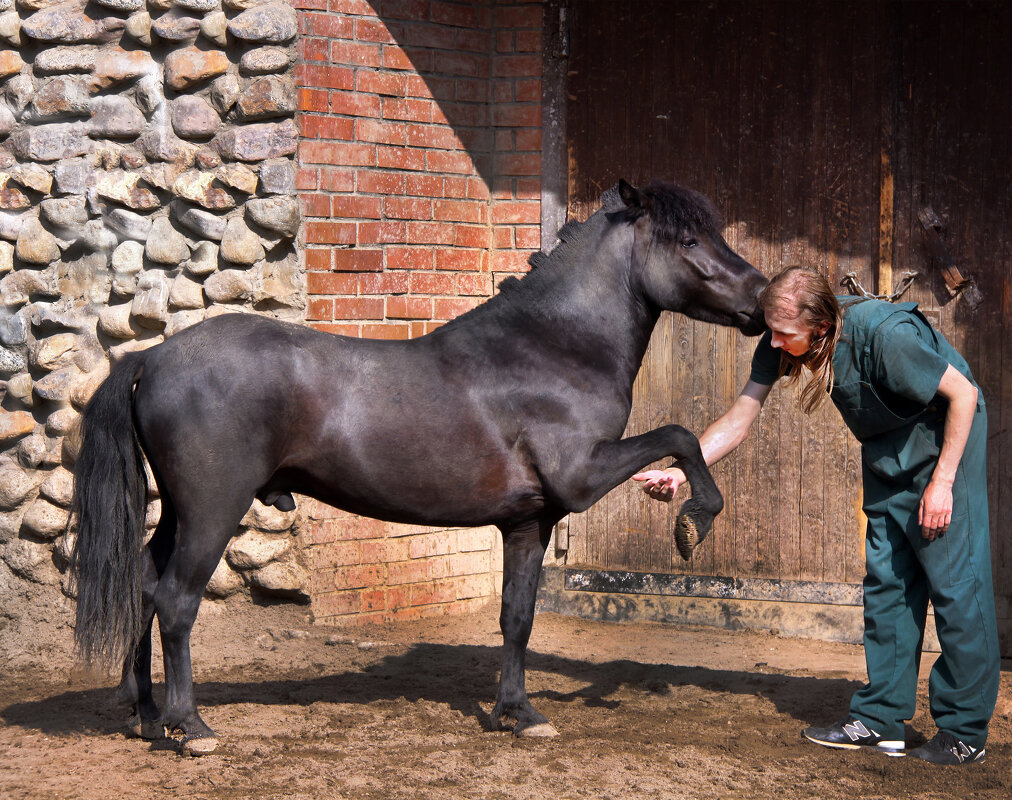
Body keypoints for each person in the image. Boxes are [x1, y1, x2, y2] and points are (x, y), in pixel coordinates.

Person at [634, 266, 999, 765]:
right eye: (772, 331)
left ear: (821, 326)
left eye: (786, 334)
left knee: (955, 584)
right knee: (888, 579)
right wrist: (683, 472)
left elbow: (964, 396)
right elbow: (739, 419)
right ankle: (880, 720)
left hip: (945, 443)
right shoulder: (781, 339)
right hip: (888, 450)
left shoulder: (884, 335)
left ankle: (964, 733)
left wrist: (943, 484)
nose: (776, 344)